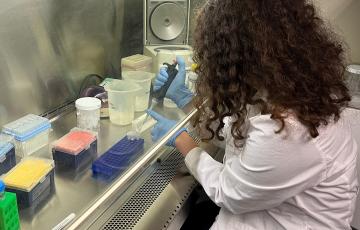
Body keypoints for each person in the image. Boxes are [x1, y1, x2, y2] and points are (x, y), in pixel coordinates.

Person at [148, 0, 359, 229]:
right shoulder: (291, 90)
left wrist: (184, 142)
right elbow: (237, 134)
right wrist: (186, 100)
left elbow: (229, 191)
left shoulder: (291, 127)